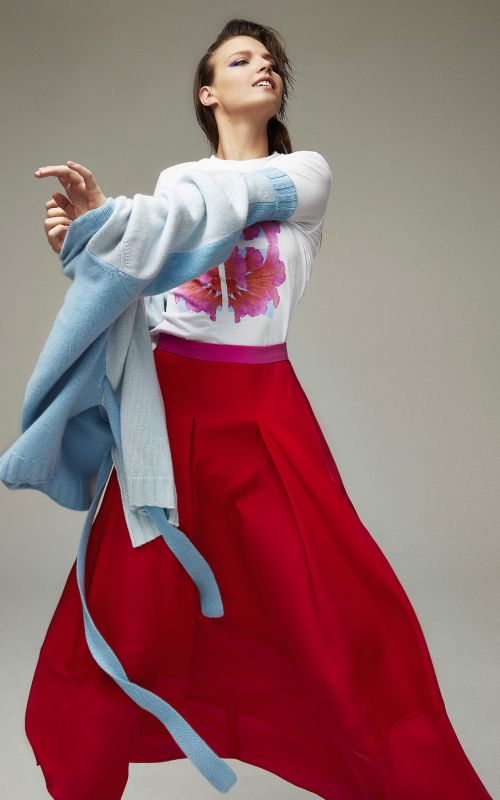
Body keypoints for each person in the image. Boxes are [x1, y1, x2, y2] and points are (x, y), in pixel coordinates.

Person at [18, 17, 492, 800]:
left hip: (266, 422)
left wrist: (123, 227)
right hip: (166, 427)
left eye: (271, 61)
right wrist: (95, 248)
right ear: (208, 93)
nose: (262, 66)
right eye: (241, 60)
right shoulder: (175, 184)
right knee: (121, 620)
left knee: (343, 627)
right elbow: (145, 299)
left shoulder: (304, 175)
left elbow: (224, 206)